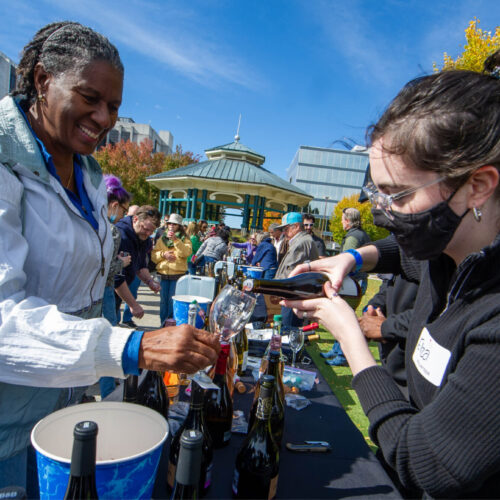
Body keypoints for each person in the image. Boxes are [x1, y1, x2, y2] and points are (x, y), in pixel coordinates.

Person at [0, 22, 219, 491]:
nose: (103, 118)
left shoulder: (90, 173)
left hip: (62, 408)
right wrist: (132, 346)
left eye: (114, 106)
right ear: (41, 80)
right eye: (89, 98)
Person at [284, 58, 500, 498]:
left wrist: (350, 338)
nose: (383, 211)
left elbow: (427, 462)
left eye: (398, 195)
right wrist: (353, 258)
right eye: (376, 192)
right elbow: (405, 255)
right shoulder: (449, 253)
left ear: (478, 185)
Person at [321, 206, 372, 366]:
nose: (341, 222)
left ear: (348, 221)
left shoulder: (353, 238)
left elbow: (346, 261)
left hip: (352, 283)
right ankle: (336, 350)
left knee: (345, 318)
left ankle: (341, 356)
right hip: (356, 282)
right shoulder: (359, 235)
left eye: (342, 219)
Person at [100, 174, 132, 398]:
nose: (123, 215)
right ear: (114, 205)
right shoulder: (112, 231)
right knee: (105, 343)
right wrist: (121, 262)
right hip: (102, 296)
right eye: (123, 209)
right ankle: (108, 392)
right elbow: (105, 273)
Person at [114, 205, 161, 327]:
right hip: (106, 294)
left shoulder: (143, 238)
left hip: (117, 295)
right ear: (135, 219)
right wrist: (133, 305)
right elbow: (116, 278)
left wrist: (150, 281)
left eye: (152, 231)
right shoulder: (120, 236)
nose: (148, 234)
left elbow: (140, 265)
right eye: (145, 229)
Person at [274, 212, 319, 330]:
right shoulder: (300, 241)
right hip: (294, 294)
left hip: (293, 295)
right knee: (289, 330)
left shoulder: (302, 242)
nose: (284, 232)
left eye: (286, 228)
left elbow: (291, 272)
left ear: (296, 226)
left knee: (288, 331)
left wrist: (275, 287)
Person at [151, 213, 192, 326]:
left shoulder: (185, 239)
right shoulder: (161, 238)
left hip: (177, 276)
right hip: (162, 274)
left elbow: (186, 253)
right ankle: (163, 324)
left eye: (174, 224)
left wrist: (176, 240)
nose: (171, 226)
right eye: (170, 223)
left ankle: (170, 325)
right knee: (163, 302)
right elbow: (153, 256)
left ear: (179, 226)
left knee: (173, 302)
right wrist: (163, 254)